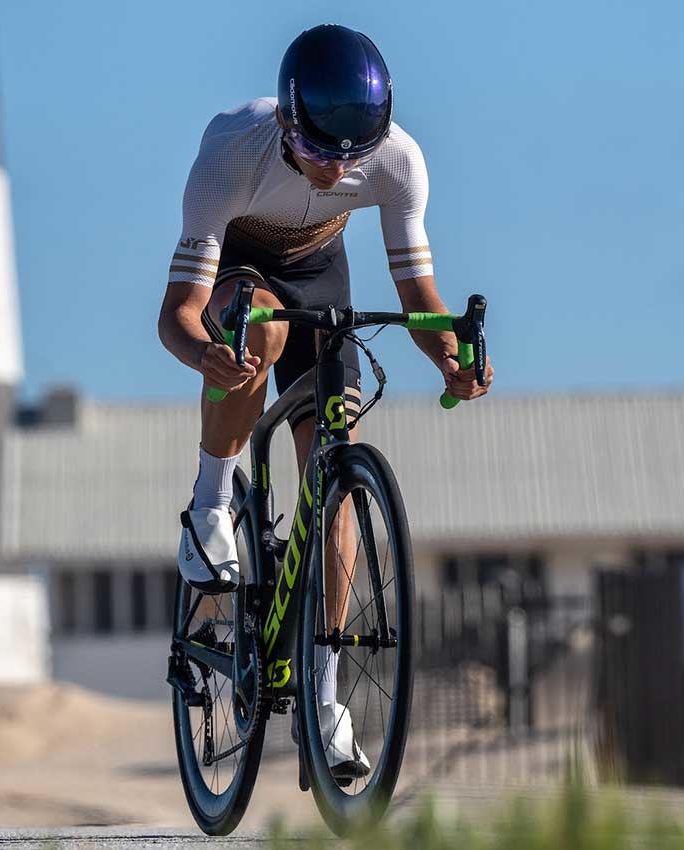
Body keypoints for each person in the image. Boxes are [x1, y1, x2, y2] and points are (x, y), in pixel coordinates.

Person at [156, 23, 494, 778]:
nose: (334, 169)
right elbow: (174, 312)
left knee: (334, 480)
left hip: (322, 270)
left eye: (352, 159)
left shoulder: (400, 161)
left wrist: (451, 359)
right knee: (263, 334)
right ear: (285, 122)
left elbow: (418, 296)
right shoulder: (227, 152)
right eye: (318, 153)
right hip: (242, 267)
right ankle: (211, 504)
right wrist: (206, 352)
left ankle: (323, 692)